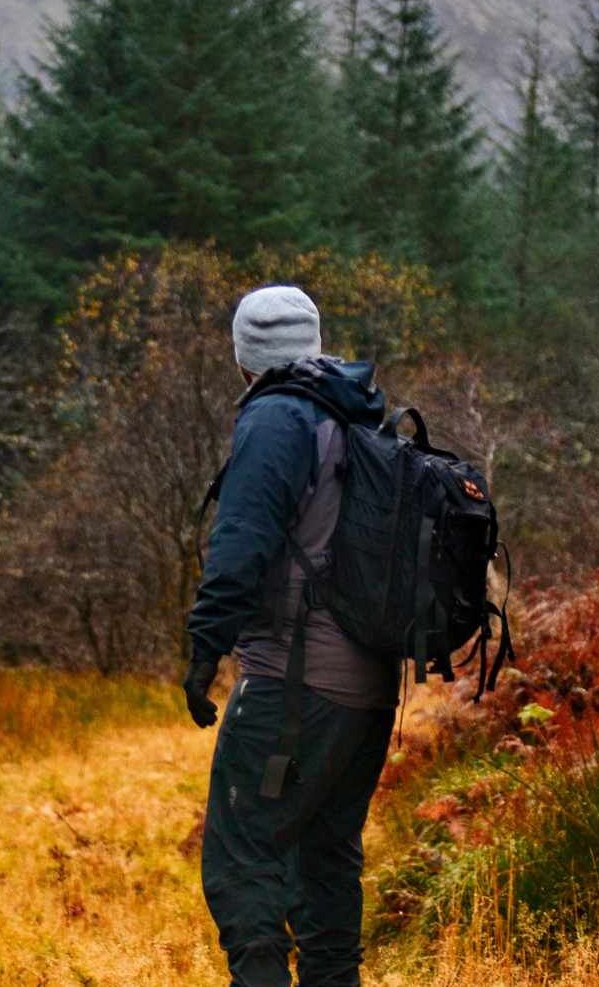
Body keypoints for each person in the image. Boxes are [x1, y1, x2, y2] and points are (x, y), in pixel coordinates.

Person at [184, 284, 397, 987]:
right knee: (325, 859)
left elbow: (240, 543)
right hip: (366, 692)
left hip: (294, 684)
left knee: (243, 857)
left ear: (246, 358)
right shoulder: (360, 412)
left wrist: (203, 646)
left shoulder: (277, 418)